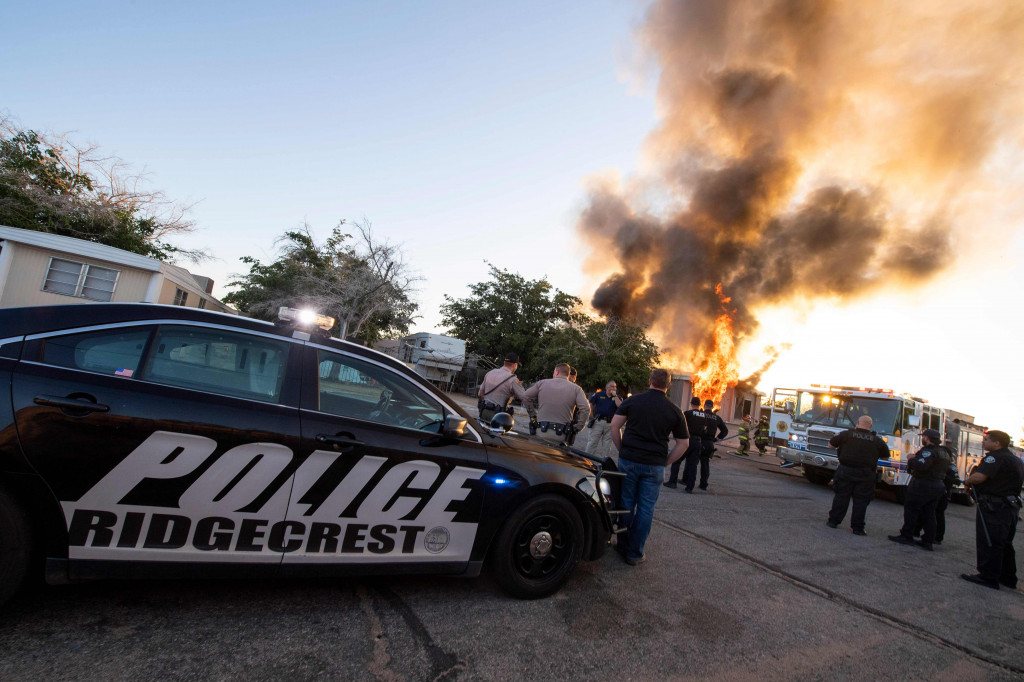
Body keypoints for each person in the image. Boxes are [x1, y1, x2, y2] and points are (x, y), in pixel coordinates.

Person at [610, 368, 689, 566]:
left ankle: (622, 545)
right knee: (646, 509)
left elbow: (614, 426)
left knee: (626, 503)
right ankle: (635, 553)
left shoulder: (632, 401)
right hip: (654, 465)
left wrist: (621, 448)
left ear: (650, 381)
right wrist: (666, 461)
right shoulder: (674, 410)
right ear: (668, 386)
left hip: (629, 461)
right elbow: (684, 443)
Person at [960, 430, 1024, 590]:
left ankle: (988, 576)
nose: (983, 442)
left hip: (994, 508)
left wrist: (968, 481)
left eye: (986, 439)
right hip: (1010, 507)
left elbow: (980, 477)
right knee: (1005, 543)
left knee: (989, 541)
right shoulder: (1015, 459)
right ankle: (1008, 578)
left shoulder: (994, 457)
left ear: (997, 443)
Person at [826, 415, 889, 535]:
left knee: (841, 497)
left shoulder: (846, 435)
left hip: (846, 471)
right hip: (866, 474)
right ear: (870, 426)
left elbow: (831, 445)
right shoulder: (877, 440)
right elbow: (886, 456)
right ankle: (857, 528)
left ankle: (833, 521)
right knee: (861, 501)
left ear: (858, 423)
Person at [888, 429, 951, 550]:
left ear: (927, 438)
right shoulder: (944, 452)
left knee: (912, 509)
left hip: (924, 484)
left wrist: (911, 459)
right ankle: (928, 540)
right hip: (938, 485)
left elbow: (920, 465)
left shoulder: (928, 451)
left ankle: (907, 536)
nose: (923, 439)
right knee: (929, 513)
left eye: (924, 437)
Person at [523, 363, 590, 447]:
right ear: (568, 374)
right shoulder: (576, 389)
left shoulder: (542, 383)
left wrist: (533, 416)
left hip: (541, 432)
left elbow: (525, 397)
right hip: (561, 435)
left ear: (557, 372)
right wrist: (578, 427)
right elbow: (586, 408)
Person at [913, 443, 960, 545]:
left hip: (943, 494)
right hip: (937, 491)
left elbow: (956, 481)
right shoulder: (942, 465)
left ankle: (937, 537)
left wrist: (942, 476)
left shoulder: (950, 467)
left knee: (937, 515)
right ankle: (916, 531)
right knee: (925, 512)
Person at [666, 397, 710, 492]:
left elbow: (680, 426)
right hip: (698, 442)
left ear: (691, 403)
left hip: (688, 440)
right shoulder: (704, 415)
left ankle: (672, 482)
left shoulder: (687, 413)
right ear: (699, 404)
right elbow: (705, 430)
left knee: (677, 460)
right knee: (693, 465)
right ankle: (689, 487)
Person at [477, 352, 535, 423]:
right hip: (499, 417)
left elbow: (480, 394)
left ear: (505, 362)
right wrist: (534, 417)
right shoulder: (513, 379)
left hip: (484, 413)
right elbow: (525, 398)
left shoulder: (490, 373)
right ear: (515, 365)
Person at [586, 381, 622, 459]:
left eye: (615, 387)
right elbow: (591, 403)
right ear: (607, 387)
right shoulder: (598, 395)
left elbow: (620, 406)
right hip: (598, 422)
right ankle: (586, 460)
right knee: (592, 442)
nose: (614, 388)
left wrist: (615, 395)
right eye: (612, 386)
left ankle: (603, 464)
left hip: (610, 424)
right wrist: (591, 415)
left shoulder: (617, 397)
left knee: (607, 445)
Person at [698, 400, 729, 490]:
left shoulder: (700, 414)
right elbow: (725, 431)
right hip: (709, 443)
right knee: (705, 464)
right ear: (712, 407)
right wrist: (716, 439)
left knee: (692, 462)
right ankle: (703, 484)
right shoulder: (717, 418)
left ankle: (688, 482)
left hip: (699, 441)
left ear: (704, 406)